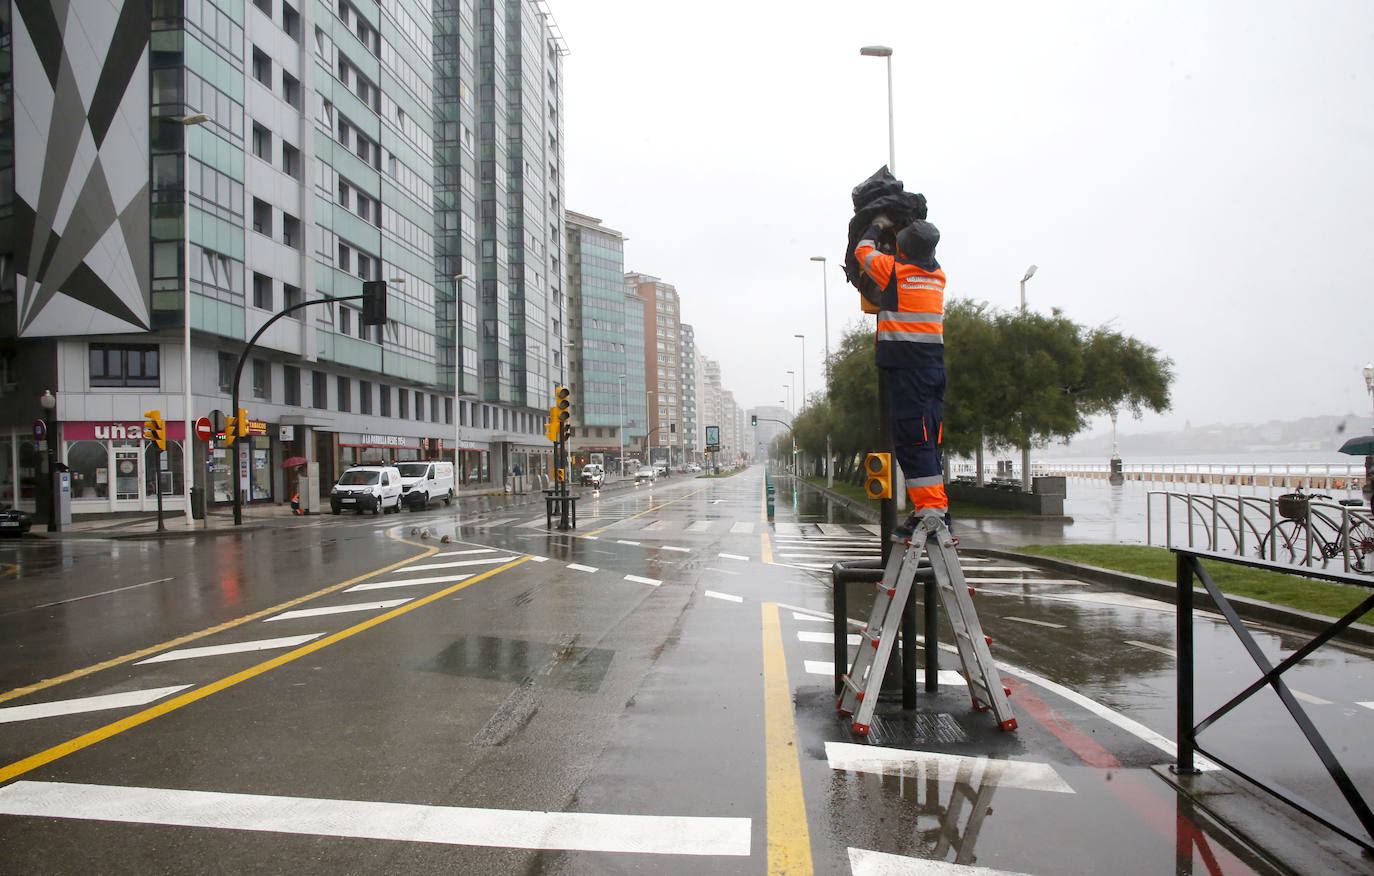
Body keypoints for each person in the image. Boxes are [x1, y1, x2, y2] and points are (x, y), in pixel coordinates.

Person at [854, 215, 954, 540]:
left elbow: (863, 250)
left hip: (909, 372)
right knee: (928, 442)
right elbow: (923, 253)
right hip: (933, 371)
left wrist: (880, 225)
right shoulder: (937, 276)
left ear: (902, 251)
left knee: (913, 442)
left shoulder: (894, 271)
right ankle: (933, 509)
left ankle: (931, 515)